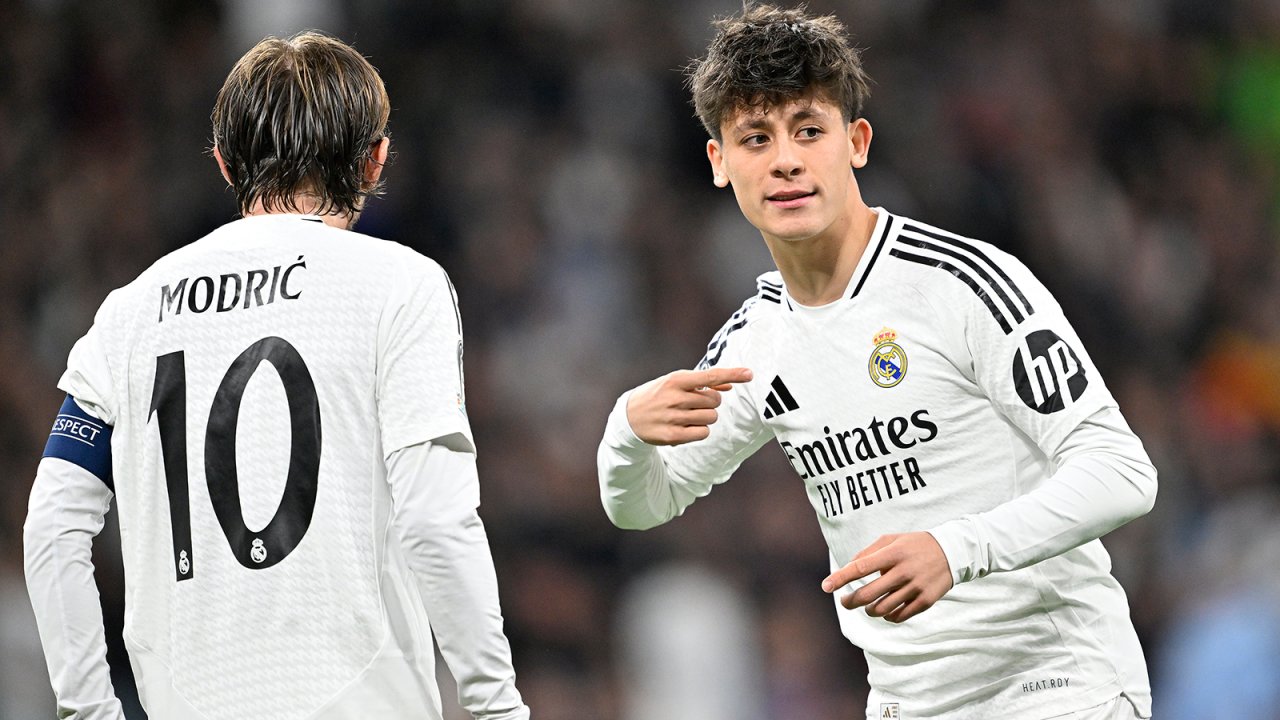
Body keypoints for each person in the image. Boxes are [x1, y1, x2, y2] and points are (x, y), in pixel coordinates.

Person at [596, 6, 1156, 719]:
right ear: (719, 163)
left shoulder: (963, 285)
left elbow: (1121, 472)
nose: (786, 160)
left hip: (1055, 688)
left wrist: (957, 550)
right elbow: (643, 503)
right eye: (756, 138)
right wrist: (626, 432)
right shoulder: (755, 343)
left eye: (808, 131)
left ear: (855, 142)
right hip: (906, 704)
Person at [24, 32, 529, 720]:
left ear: (225, 163)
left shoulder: (130, 312)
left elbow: (53, 525)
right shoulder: (400, 285)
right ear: (375, 159)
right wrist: (498, 707)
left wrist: (90, 710)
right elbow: (435, 519)